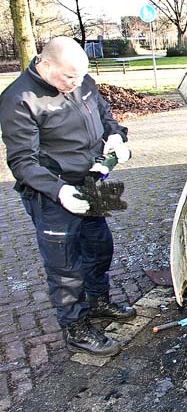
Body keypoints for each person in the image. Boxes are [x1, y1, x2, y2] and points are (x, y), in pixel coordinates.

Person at [0, 37, 136, 357]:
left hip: (91, 179)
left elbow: (104, 113)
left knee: (100, 245)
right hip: (52, 192)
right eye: (68, 78)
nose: (75, 84)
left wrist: (115, 135)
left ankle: (99, 302)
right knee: (64, 264)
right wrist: (59, 190)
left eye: (79, 77)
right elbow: (22, 162)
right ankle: (74, 325)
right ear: (44, 65)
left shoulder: (81, 79)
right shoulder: (19, 99)